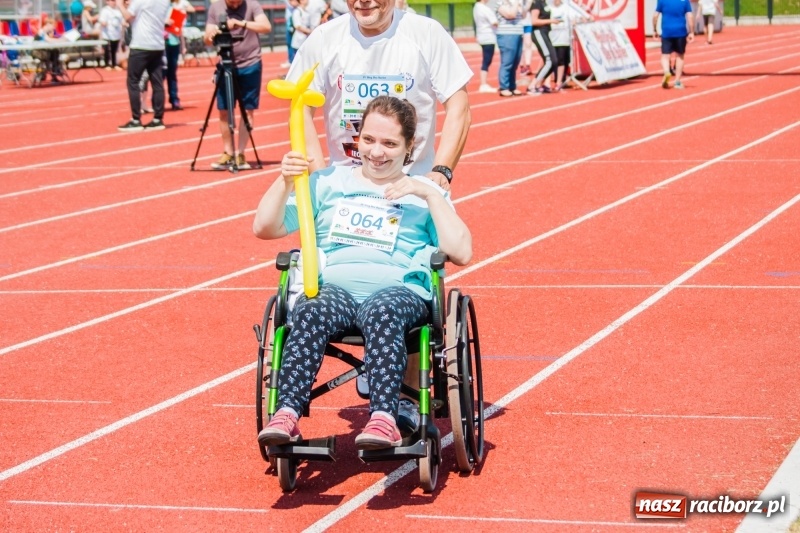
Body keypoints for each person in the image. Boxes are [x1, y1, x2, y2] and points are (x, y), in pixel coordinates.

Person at [253, 96, 473, 450]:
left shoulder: (423, 193)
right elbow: (265, 227)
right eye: (369, 140)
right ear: (358, 137)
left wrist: (429, 195)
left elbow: (461, 252)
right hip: (334, 292)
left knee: (382, 311)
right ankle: (287, 414)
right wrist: (284, 181)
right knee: (309, 309)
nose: (376, 152)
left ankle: (384, 418)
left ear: (409, 146)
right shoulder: (327, 182)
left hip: (398, 295)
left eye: (389, 143)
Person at [285, 0, 472, 191]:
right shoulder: (324, 38)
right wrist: (320, 178)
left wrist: (441, 170)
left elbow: (459, 107)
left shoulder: (428, 34)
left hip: (414, 187)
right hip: (343, 190)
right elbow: (299, 111)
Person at [204, 0, 272, 170]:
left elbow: (266, 27)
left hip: (251, 64)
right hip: (225, 63)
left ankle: (240, 153)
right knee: (224, 111)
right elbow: (206, 39)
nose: (234, 3)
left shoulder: (252, 5)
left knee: (247, 110)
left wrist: (240, 23)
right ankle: (228, 152)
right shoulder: (216, 7)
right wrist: (213, 33)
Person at [117, 0, 170, 131]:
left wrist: (119, 5)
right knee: (157, 83)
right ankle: (158, 118)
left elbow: (128, 17)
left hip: (141, 45)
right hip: (157, 45)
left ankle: (136, 119)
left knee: (133, 81)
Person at [549, 0, 590, 90]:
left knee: (563, 60)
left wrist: (584, 18)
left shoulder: (567, 6)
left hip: (564, 39)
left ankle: (560, 81)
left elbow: (579, 15)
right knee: (553, 61)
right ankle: (555, 81)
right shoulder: (548, 6)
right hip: (551, 38)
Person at [653, 0, 694, 89]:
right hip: (681, 32)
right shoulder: (685, 1)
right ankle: (677, 81)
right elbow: (690, 16)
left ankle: (667, 71)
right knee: (680, 56)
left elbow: (655, 15)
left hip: (667, 32)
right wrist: (691, 32)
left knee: (665, 55)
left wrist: (654, 30)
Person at [164, 0, 195, 110]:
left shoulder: (176, 9)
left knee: (172, 73)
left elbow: (179, 28)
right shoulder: (160, 8)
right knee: (161, 74)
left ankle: (174, 99)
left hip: (174, 42)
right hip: (162, 43)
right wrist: (165, 22)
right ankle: (157, 101)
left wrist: (183, 46)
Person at [528, 0, 560, 94]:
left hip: (545, 33)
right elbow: (534, 21)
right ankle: (532, 85)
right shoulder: (537, 3)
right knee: (550, 59)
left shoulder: (544, 3)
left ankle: (539, 84)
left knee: (554, 61)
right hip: (538, 32)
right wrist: (551, 21)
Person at [495, 0, 525, 97]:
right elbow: (510, 15)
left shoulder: (515, 3)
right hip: (506, 35)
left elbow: (524, 15)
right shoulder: (500, 3)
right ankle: (504, 87)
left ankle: (512, 86)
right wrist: (516, 3)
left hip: (518, 33)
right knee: (507, 62)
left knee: (515, 62)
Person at [473, 0, 498, 93]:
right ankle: (483, 84)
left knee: (486, 60)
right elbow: (494, 22)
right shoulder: (483, 8)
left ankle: (483, 83)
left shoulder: (476, 7)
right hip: (488, 36)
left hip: (483, 35)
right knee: (487, 60)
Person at [99, 0, 125, 70]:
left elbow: (122, 20)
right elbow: (102, 20)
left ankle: (114, 64)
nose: (113, 2)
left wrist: (124, 24)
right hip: (107, 34)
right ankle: (107, 64)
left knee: (114, 50)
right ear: (107, 2)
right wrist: (103, 23)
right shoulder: (105, 10)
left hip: (116, 33)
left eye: (114, 1)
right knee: (107, 49)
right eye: (112, 1)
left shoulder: (118, 11)